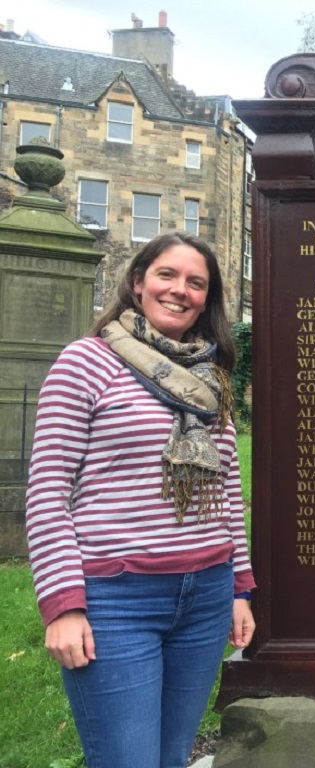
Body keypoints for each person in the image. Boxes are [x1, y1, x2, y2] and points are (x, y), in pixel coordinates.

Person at [25, 232, 256, 768]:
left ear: (208, 297)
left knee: (172, 757)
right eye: (167, 276)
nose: (181, 290)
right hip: (116, 600)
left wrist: (240, 587)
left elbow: (226, 491)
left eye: (196, 282)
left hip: (205, 596)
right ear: (138, 283)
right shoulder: (86, 362)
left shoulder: (211, 376)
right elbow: (48, 491)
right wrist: (63, 605)